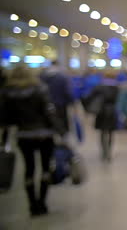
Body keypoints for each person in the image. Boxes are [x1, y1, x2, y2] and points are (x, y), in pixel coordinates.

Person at [0, 65, 63, 216]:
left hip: (23, 135)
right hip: (44, 134)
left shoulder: (7, 92)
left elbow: (5, 118)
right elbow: (49, 112)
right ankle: (42, 203)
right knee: (45, 168)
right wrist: (60, 131)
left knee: (29, 168)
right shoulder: (40, 89)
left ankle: (32, 204)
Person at [87, 70, 120, 162]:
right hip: (112, 111)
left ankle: (103, 152)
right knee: (110, 132)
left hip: (101, 111)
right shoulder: (116, 87)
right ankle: (109, 151)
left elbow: (89, 97)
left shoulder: (99, 87)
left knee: (102, 132)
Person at [40, 60, 74, 138]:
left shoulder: (42, 76)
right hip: (61, 104)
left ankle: (52, 137)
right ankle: (63, 138)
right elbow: (67, 91)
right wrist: (71, 102)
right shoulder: (62, 77)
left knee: (50, 121)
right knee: (62, 122)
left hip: (46, 104)